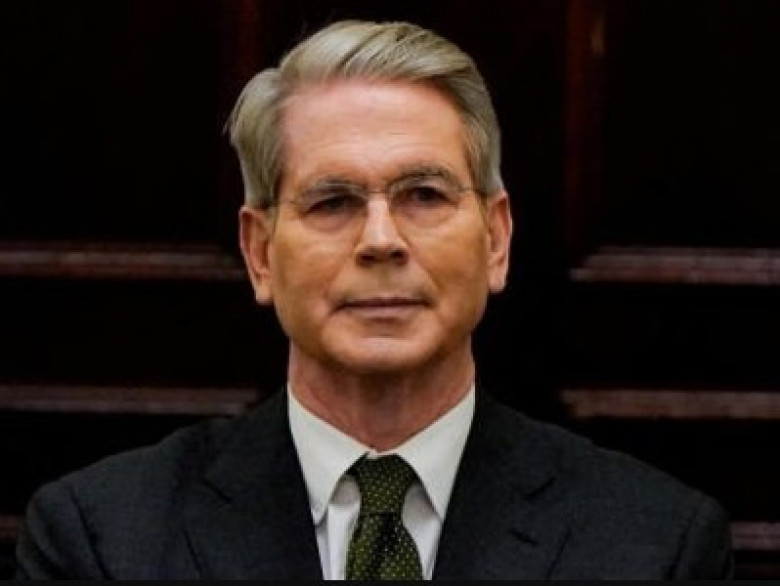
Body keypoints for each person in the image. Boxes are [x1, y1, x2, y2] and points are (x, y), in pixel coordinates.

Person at [14, 19, 732, 580]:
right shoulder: (100, 539)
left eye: (424, 195)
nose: (381, 240)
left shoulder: (657, 544)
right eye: (333, 202)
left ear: (495, 239)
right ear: (259, 253)